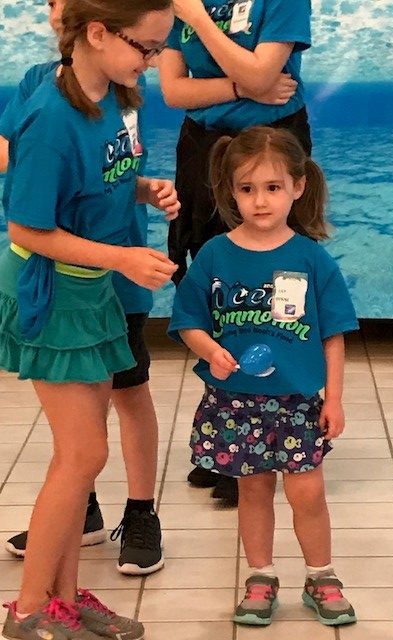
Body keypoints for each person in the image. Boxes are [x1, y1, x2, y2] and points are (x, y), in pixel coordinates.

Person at [0, 1, 177, 639]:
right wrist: (123, 258)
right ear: (97, 33)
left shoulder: (113, 96)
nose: (152, 62)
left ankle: (66, 599)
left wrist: (142, 188)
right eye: (146, 48)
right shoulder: (52, 117)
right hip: (54, 293)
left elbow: (99, 180)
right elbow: (26, 228)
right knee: (83, 454)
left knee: (81, 457)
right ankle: (27, 611)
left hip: (91, 287)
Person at [168, 126, 358, 627]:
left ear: (298, 186)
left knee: (307, 493)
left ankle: (321, 576)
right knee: (252, 491)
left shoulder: (312, 259)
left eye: (272, 187)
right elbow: (187, 321)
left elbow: (334, 336)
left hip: (297, 403)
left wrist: (334, 399)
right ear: (230, 191)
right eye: (247, 188)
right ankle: (261, 576)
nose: (259, 200)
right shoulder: (214, 255)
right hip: (235, 402)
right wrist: (210, 350)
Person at [158, 0, 313, 504]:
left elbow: (266, 72)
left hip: (272, 145)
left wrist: (200, 20)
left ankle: (276, 432)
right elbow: (174, 91)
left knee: (271, 295)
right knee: (214, 291)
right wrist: (243, 87)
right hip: (203, 146)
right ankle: (228, 433)